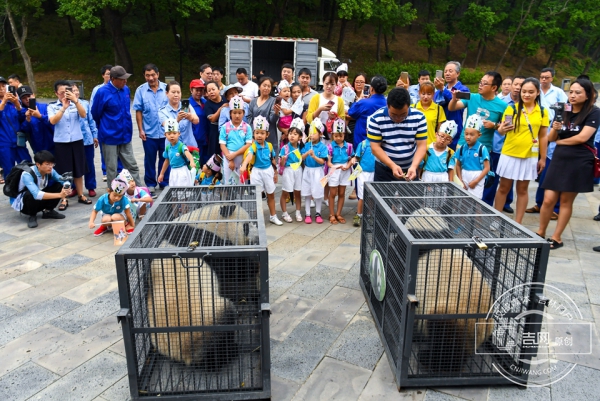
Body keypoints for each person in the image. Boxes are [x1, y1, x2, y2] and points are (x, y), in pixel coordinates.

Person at [536, 79, 600, 250]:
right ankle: (540, 232)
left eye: (578, 92)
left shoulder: (593, 112)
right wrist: (556, 129)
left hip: (579, 159)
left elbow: (582, 138)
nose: (572, 95)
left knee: (565, 200)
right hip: (559, 158)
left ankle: (556, 237)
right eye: (571, 91)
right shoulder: (563, 108)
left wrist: (560, 142)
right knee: (548, 199)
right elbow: (550, 138)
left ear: (588, 95)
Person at [494, 78, 548, 224]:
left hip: (529, 155)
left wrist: (543, 158)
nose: (526, 95)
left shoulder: (542, 112)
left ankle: (518, 223)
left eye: (531, 92)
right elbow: (502, 130)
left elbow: (543, 136)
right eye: (524, 91)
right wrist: (501, 129)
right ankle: (496, 219)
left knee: (522, 190)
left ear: (537, 93)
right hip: (509, 153)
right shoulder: (512, 109)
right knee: (503, 187)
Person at [525, 67, 569, 219]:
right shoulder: (535, 91)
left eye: (547, 77)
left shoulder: (558, 93)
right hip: (535, 129)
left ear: (552, 78)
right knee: (541, 171)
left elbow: (566, 109)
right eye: (541, 77)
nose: (543, 79)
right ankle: (539, 203)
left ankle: (554, 208)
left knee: (552, 169)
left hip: (553, 128)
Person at [91, 65, 142, 188]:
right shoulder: (102, 92)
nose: (125, 81)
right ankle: (113, 195)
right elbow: (95, 113)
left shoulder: (126, 89)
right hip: (109, 136)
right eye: (122, 79)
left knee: (132, 165)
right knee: (112, 168)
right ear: (113, 79)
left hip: (125, 135)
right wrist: (105, 127)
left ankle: (139, 190)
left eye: (126, 78)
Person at [48, 80, 91, 208]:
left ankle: (80, 194)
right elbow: (53, 121)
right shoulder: (52, 106)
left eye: (66, 92)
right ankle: (64, 198)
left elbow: (84, 115)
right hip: (61, 142)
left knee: (79, 169)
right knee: (64, 172)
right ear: (56, 93)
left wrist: (75, 101)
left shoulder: (76, 104)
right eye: (61, 93)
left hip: (77, 140)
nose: (64, 95)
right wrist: (63, 108)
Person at [368, 87, 427, 182]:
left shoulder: (419, 117)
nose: (398, 118)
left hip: (410, 169)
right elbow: (375, 147)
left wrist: (414, 166)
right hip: (385, 169)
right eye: (394, 115)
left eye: (403, 114)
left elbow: (422, 145)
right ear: (387, 105)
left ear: (409, 106)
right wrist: (392, 165)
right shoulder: (376, 119)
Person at [488, 76, 525, 213]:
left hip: (516, 149)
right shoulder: (501, 102)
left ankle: (506, 203)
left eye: (520, 85)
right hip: (498, 146)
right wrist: (498, 126)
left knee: (511, 178)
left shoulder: (528, 106)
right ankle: (488, 203)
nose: (517, 87)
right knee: (494, 178)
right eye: (515, 84)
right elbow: (496, 123)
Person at [133, 63, 169, 198]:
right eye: (147, 75)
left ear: (158, 74)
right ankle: (150, 184)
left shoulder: (167, 89)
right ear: (144, 76)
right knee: (149, 159)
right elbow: (138, 111)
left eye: (153, 75)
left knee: (165, 157)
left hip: (166, 132)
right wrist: (140, 129)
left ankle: (164, 181)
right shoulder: (140, 90)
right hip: (149, 132)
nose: (151, 78)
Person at [9, 150, 69, 228]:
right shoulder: (27, 174)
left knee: (58, 185)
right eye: (47, 164)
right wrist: (60, 195)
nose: (50, 167)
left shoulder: (50, 170)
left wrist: (67, 187)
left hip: (39, 199)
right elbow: (36, 194)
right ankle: (32, 216)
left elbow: (62, 179)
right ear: (38, 164)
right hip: (25, 205)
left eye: (52, 164)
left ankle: (48, 211)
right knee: (30, 194)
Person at [240, 116, 282, 225]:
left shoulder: (270, 146)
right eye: (257, 133)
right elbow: (249, 156)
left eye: (262, 133)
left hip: (268, 171)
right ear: (254, 134)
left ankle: (273, 216)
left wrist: (275, 172)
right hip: (256, 172)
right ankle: (258, 218)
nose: (259, 135)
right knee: (257, 196)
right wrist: (244, 164)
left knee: (271, 194)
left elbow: (273, 160)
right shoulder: (253, 146)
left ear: (267, 134)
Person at [89, 64, 120, 183]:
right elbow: (94, 109)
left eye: (112, 74)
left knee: (118, 150)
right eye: (108, 74)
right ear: (103, 75)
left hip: (117, 126)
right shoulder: (98, 90)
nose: (110, 76)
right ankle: (106, 171)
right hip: (103, 125)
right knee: (105, 149)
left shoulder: (120, 88)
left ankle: (118, 170)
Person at [434, 61, 470, 149]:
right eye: (445, 71)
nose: (447, 74)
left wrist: (443, 89)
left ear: (458, 73)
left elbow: (455, 101)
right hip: (440, 128)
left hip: (455, 127)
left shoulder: (463, 89)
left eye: (450, 71)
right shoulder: (439, 90)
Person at [0, 75, 30, 180]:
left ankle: (29, 193)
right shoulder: (4, 103)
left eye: (3, 86)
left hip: (19, 141)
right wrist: (3, 102)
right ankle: (13, 195)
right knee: (9, 171)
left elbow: (22, 118)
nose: (1, 88)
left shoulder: (13, 101)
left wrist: (17, 104)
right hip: (4, 143)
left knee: (27, 166)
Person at [454, 115, 491, 199]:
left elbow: (486, 168)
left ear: (479, 135)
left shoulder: (482, 149)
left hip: (477, 176)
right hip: (464, 175)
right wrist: (460, 180)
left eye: (472, 134)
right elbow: (458, 165)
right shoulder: (462, 148)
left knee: (476, 202)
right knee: (462, 201)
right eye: (466, 134)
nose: (468, 137)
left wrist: (476, 181)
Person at [72, 85, 99, 198]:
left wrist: (94, 135)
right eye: (73, 91)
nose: (76, 92)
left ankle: (91, 186)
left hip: (86, 139)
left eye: (77, 90)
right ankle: (74, 187)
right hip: (73, 140)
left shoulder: (85, 104)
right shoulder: (67, 105)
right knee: (74, 165)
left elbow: (91, 120)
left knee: (89, 164)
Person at [220, 95, 253, 184]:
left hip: (242, 158)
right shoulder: (225, 127)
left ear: (243, 113)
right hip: (228, 158)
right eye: (234, 113)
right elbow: (222, 144)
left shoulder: (247, 127)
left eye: (239, 113)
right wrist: (230, 160)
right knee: (229, 182)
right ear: (230, 113)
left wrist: (235, 154)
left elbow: (248, 144)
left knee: (242, 183)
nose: (237, 116)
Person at [348, 75, 388, 148]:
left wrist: (360, 99)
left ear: (371, 89)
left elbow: (351, 112)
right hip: (382, 142)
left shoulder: (364, 103)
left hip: (363, 142)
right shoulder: (388, 103)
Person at [327, 118, 354, 225]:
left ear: (344, 135)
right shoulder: (330, 147)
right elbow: (328, 162)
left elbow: (352, 158)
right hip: (334, 169)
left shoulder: (349, 146)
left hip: (345, 170)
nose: (338, 138)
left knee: (342, 192)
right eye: (336, 136)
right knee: (333, 192)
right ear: (333, 135)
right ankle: (331, 214)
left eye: (341, 136)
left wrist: (348, 166)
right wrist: (335, 167)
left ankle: (338, 213)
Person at [158, 81, 199, 150]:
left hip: (190, 146)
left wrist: (190, 117)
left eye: (178, 92)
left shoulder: (186, 106)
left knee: (193, 161)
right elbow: (167, 126)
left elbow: (196, 121)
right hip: (173, 148)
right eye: (173, 92)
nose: (176, 95)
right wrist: (177, 120)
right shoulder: (162, 111)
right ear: (167, 93)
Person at [301, 120, 328, 224]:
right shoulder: (306, 146)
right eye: (310, 132)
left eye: (314, 132)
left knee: (318, 192)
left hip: (318, 171)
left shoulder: (323, 147)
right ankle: (307, 213)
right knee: (307, 193)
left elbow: (322, 161)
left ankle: (318, 213)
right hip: (307, 171)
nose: (311, 135)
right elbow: (301, 158)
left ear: (320, 134)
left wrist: (314, 156)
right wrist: (307, 153)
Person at [158, 119, 196, 187]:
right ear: (165, 135)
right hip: (173, 171)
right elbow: (167, 161)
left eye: (174, 133)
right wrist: (161, 174)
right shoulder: (168, 148)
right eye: (169, 134)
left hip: (182, 171)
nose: (172, 136)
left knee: (184, 190)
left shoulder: (181, 146)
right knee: (174, 191)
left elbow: (188, 154)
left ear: (179, 133)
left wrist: (192, 161)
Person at [18, 85, 55, 155]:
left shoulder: (45, 106)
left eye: (29, 96)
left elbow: (52, 122)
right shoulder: (23, 112)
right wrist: (27, 120)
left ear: (33, 95)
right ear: (21, 100)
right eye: (24, 98)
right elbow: (23, 130)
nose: (27, 99)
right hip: (37, 146)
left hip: (52, 143)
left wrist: (40, 116)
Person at [247, 77, 280, 153]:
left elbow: (273, 120)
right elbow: (249, 118)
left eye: (269, 86)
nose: (266, 88)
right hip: (255, 135)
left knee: (270, 158)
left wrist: (276, 112)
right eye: (264, 85)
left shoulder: (273, 101)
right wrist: (253, 134)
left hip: (269, 135)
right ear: (259, 86)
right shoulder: (253, 101)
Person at [279, 123, 304, 223]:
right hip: (288, 170)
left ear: (300, 137)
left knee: (298, 192)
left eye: (295, 134)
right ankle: (284, 213)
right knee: (286, 192)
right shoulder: (285, 148)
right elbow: (281, 164)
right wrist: (283, 159)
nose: (292, 136)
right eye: (290, 133)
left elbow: (302, 159)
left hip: (298, 170)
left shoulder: (301, 148)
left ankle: (298, 212)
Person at [352, 136, 375, 227]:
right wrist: (354, 159)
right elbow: (357, 157)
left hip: (374, 172)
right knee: (361, 195)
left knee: (372, 196)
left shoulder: (378, 144)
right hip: (362, 173)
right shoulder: (362, 144)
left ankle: (369, 214)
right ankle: (359, 214)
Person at [414, 81, 446, 145]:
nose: (425, 97)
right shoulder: (413, 108)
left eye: (429, 94)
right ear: (419, 93)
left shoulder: (439, 109)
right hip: (416, 146)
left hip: (432, 146)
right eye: (423, 94)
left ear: (433, 94)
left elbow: (440, 131)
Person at [189, 79, 210, 165]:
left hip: (206, 139)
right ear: (191, 90)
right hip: (195, 140)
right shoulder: (188, 104)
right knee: (195, 165)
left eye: (201, 90)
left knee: (207, 165)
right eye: (196, 90)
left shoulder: (205, 102)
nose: (199, 92)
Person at [204, 81, 227, 159]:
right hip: (215, 133)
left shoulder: (226, 99)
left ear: (219, 89)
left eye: (213, 89)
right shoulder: (208, 104)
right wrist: (221, 108)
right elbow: (212, 119)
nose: (211, 92)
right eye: (209, 91)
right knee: (216, 157)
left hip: (228, 131)